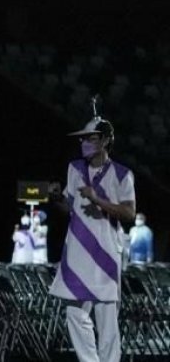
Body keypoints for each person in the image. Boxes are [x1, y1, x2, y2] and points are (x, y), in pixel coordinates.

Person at [49, 115, 135, 362]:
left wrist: (97, 199)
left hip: (106, 251)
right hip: (76, 250)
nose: (83, 143)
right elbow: (71, 207)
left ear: (105, 141)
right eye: (82, 139)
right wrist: (57, 198)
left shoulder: (122, 174)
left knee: (106, 319)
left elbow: (129, 213)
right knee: (74, 312)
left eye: (90, 138)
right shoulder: (74, 168)